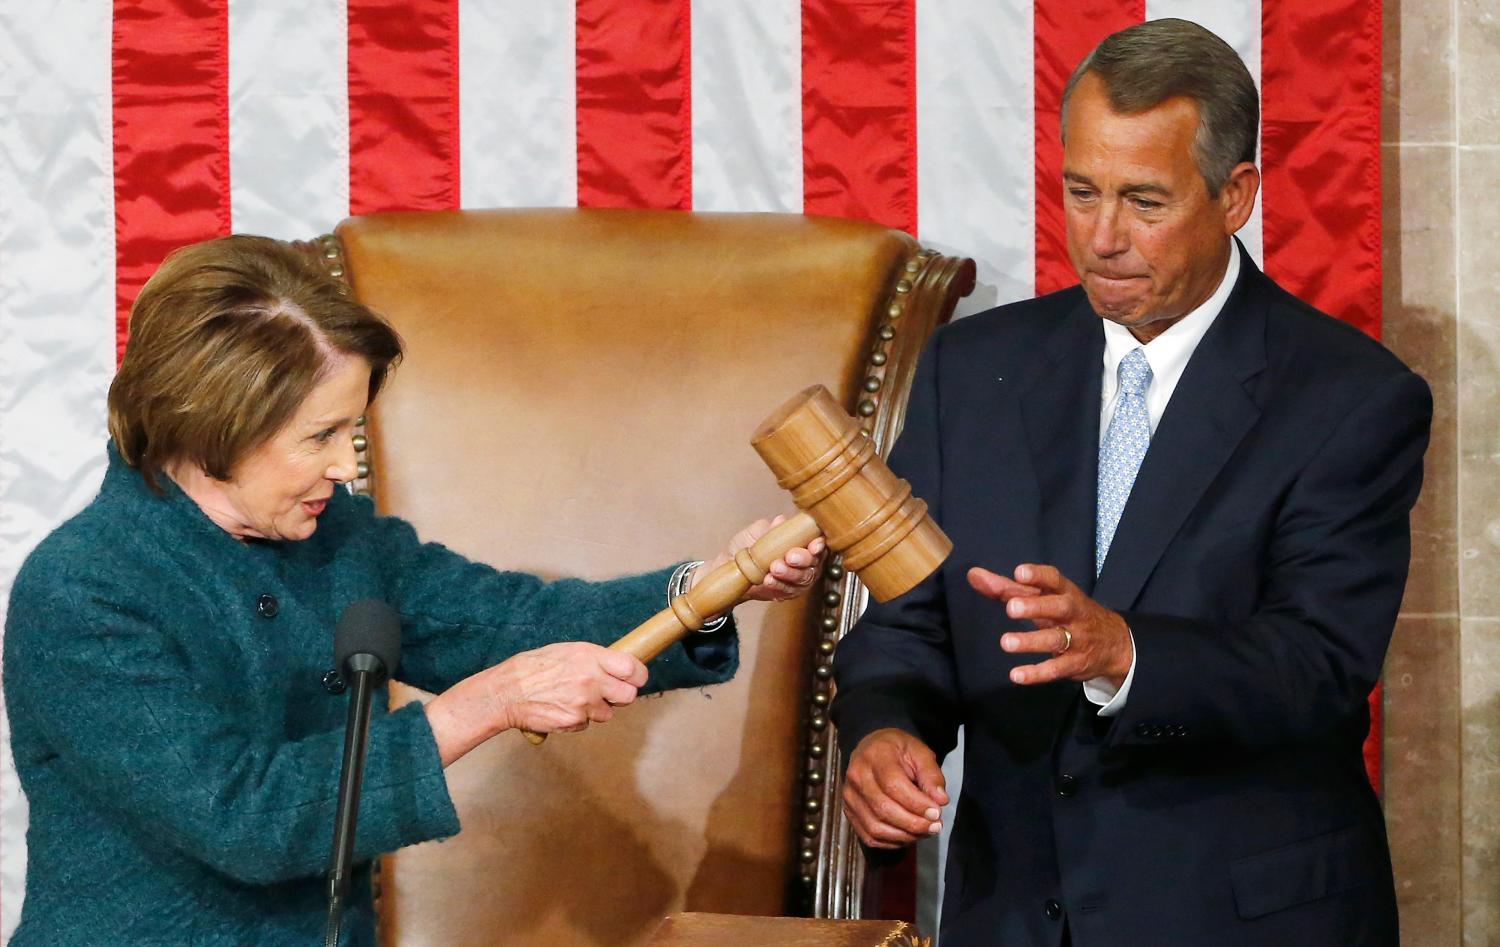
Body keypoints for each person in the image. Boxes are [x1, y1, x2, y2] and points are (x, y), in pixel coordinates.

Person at [3, 234, 825, 946]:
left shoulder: (340, 536)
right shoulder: (83, 592)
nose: (346, 466)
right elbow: (246, 817)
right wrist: (485, 705)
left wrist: (713, 586)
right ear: (211, 421)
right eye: (320, 435)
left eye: (352, 429)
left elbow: (517, 621)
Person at [831, 18, 1429, 947]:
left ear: (1235, 196)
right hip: (1014, 916)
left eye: (1144, 201)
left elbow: (1318, 666)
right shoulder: (973, 371)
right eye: (1082, 192)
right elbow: (908, 622)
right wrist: (885, 728)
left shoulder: (1348, 398)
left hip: (1237, 920)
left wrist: (1125, 653)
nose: (1103, 237)